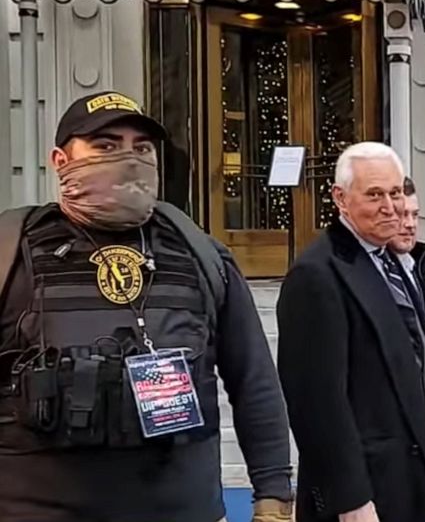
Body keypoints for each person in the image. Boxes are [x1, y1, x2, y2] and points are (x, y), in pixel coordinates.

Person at [0, 91, 294, 522]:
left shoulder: (200, 255)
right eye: (105, 146)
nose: (129, 159)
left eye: (142, 148)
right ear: (59, 161)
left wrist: (274, 499)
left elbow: (255, 383)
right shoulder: (11, 252)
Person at [276, 142, 425, 522]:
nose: (390, 207)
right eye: (375, 195)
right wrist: (350, 500)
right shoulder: (316, 275)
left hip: (413, 480)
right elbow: (316, 405)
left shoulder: (392, 261)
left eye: (395, 193)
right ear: (340, 198)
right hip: (366, 494)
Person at [389, 176, 425, 317]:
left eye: (415, 215)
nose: (410, 224)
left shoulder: (423, 263)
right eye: (402, 215)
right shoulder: (365, 270)